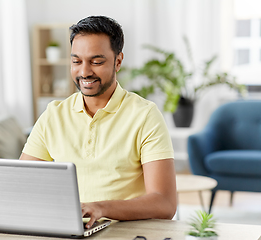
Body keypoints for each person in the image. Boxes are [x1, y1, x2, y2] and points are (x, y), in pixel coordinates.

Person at [20, 16, 177, 228]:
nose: (84, 72)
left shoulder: (145, 115)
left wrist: (101, 208)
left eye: (96, 62)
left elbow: (165, 203)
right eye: (76, 61)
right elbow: (21, 183)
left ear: (118, 61)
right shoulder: (53, 114)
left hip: (124, 231)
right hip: (69, 229)